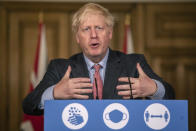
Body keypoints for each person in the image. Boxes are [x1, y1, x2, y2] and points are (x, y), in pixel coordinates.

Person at [22, 3, 175, 115]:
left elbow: (171, 95)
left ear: (110, 34)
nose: (93, 35)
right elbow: (29, 105)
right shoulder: (59, 68)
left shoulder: (134, 64)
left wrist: (154, 89)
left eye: (99, 28)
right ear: (77, 37)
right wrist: (55, 92)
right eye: (86, 29)